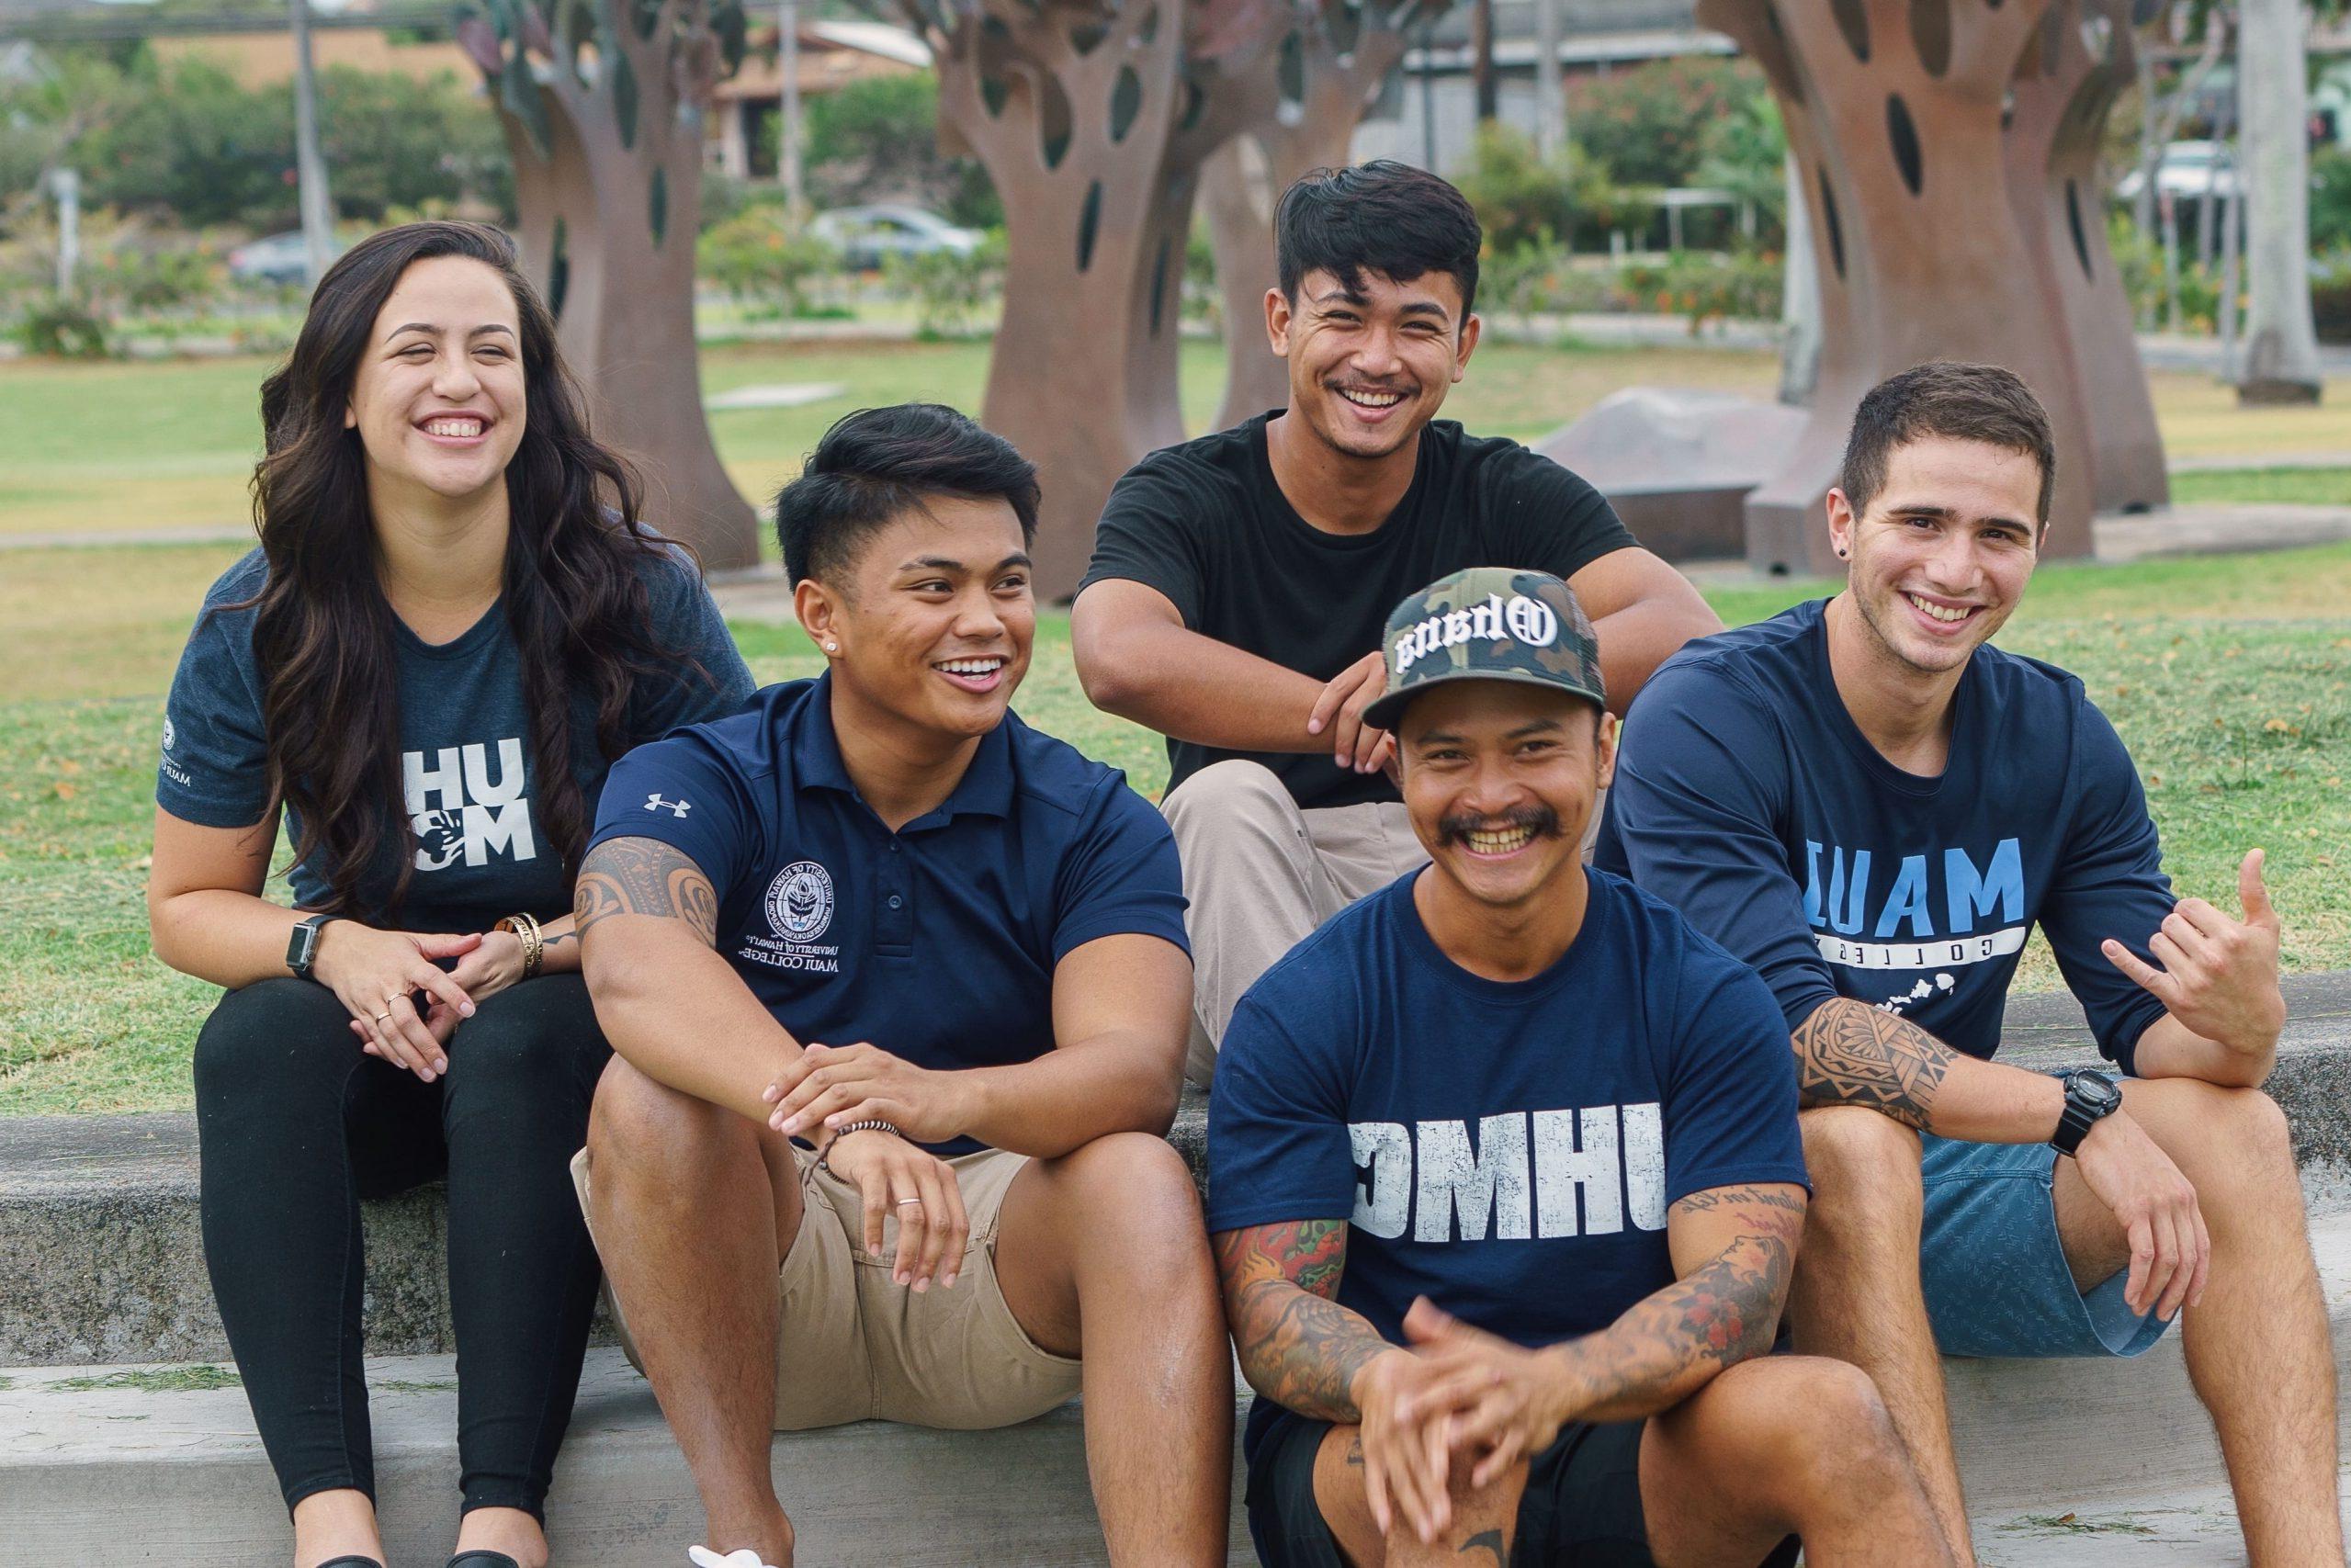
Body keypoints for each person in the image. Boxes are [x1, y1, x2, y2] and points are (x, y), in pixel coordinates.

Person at [1598, 363, 2343, 1566]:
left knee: (2239, 1128)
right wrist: (2075, 1111)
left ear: (2039, 547)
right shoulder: (1711, 712)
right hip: (1706, 1205)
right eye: (1922, 521)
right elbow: (1789, 1032)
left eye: (1998, 533)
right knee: (1848, 1130)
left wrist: (2242, 1022)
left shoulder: (2055, 733)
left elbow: (2149, 1031)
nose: (1956, 568)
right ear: (1843, 523)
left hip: (1925, 1192)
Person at [147, 220, 755, 1568]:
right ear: (345, 393)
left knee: (536, 1037)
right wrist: (332, 945)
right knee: (252, 1037)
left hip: (573, 1023)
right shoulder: (262, 616)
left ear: (533, 386)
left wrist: (541, 946)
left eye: (493, 347)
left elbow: (750, 852)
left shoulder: (635, 592)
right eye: (412, 349)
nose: (456, 380)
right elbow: (190, 903)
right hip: (383, 1038)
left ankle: (504, 1518)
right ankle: (332, 1520)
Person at [570, 403, 1233, 1568]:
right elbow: (633, 969)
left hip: (990, 1267)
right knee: (649, 1096)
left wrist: (942, 1101)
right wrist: (847, 1120)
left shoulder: (1093, 819)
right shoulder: (700, 773)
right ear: (822, 614)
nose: (985, 623)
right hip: (762, 1277)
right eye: (934, 587)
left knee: (1136, 1176)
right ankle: (746, 1539)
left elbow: (1130, 1073)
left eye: (1011, 583)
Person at [1208, 566, 1953, 1568]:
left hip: (1633, 1428)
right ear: (1397, 771)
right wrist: (1391, 1381)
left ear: (1604, 749)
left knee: (1832, 1410)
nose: (1491, 795)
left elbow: (1739, 1292)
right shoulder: (1309, 1005)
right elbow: (1271, 1310)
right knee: (1453, 1450)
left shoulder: (1701, 992)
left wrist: (1552, 1383)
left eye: (1531, 748)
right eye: (1446, 757)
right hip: (1377, 1447)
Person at [1070, 160, 1721, 1087]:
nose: (1377, 359)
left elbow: (1683, 630)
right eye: (1343, 318)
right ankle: (1305, 1101)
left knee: (1625, 764)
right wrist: (1357, 712)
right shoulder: (1186, 492)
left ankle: (1625, 1046)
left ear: (1463, 346)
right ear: (1279, 322)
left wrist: (1439, 677)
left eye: (1417, 326)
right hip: (1267, 904)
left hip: (1470, 856)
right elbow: (1116, 655)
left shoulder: (1503, 488)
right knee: (1218, 804)